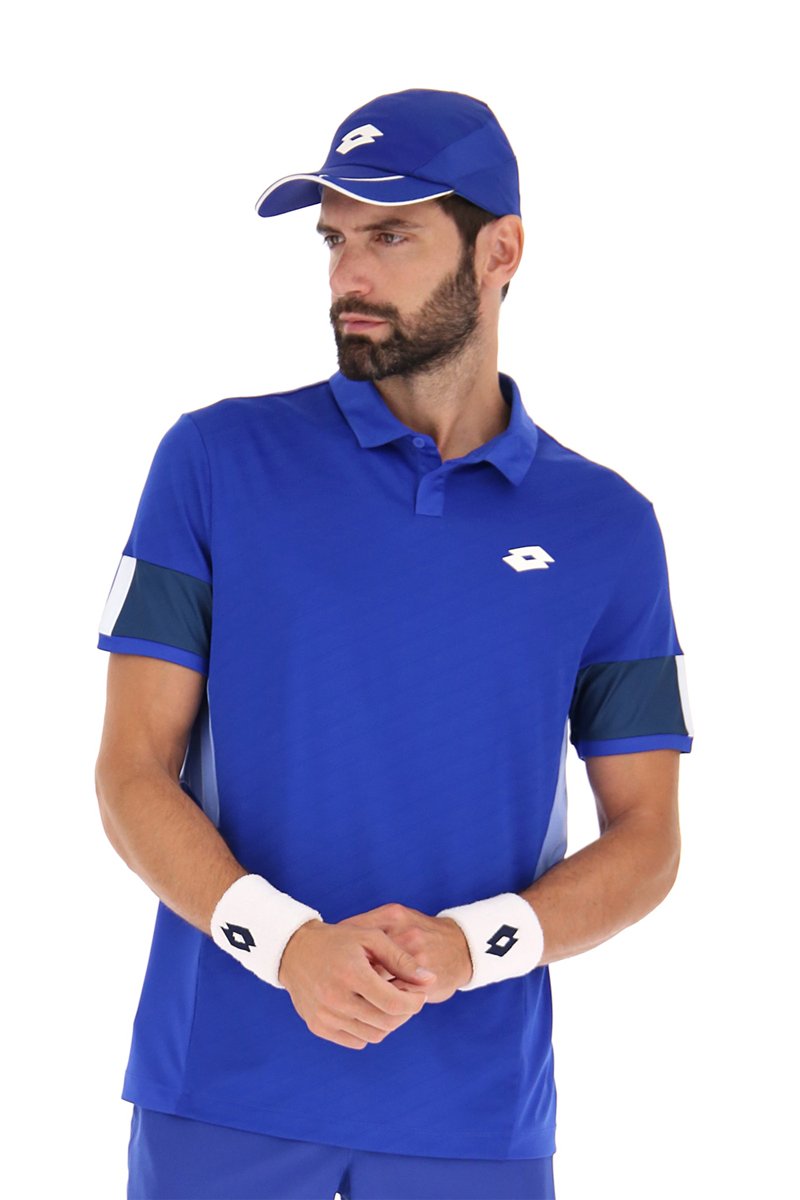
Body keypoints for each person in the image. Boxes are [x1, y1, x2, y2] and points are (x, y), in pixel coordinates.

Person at [95, 88, 694, 1200]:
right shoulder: (214, 462)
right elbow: (130, 771)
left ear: (499, 251)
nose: (349, 276)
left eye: (390, 236)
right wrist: (288, 946)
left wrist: (468, 948)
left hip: (473, 1113)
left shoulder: (606, 527)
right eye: (334, 240)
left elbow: (648, 838)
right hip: (219, 1084)